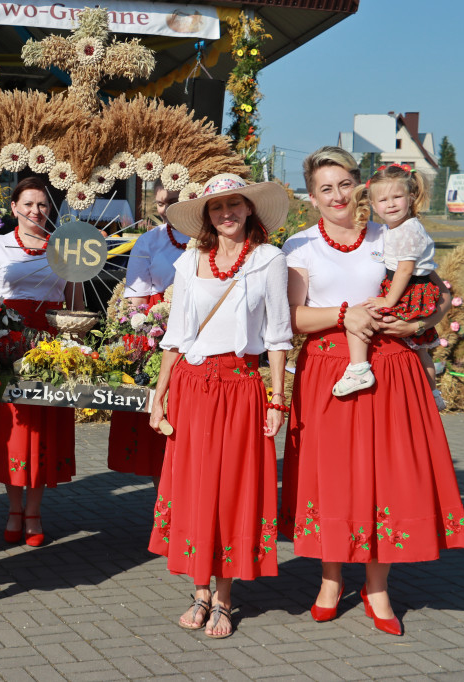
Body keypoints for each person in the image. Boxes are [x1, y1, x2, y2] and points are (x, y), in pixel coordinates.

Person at [279, 146, 464, 637]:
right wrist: (345, 315)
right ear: (312, 196)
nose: (337, 195)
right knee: (333, 476)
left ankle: (377, 586)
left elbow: (440, 292)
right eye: (325, 188)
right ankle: (328, 580)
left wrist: (422, 324)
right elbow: (294, 319)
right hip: (328, 370)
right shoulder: (300, 246)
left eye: (344, 183)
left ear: (359, 184)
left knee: (386, 475)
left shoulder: (393, 233)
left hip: (392, 367)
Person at [147, 174, 292, 639]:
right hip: (191, 386)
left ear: (249, 209)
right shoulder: (190, 262)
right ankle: (199, 591)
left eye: (234, 204)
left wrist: (277, 400)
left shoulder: (269, 259)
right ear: (206, 216)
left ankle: (225, 599)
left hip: (239, 387)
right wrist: (160, 393)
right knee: (194, 488)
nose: (226, 213)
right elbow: (176, 335)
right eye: (216, 207)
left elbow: (277, 336)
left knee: (231, 490)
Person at [0, 176, 84, 547]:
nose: (35, 211)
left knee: (43, 427)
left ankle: (34, 511)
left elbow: (75, 302)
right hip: (8, 341)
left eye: (42, 205)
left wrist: (76, 348)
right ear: (14, 208)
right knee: (14, 427)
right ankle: (12, 508)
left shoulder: (65, 248)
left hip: (52, 345)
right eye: (27, 204)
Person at [333, 164, 445, 409]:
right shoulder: (399, 228)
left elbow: (404, 269)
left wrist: (387, 301)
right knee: (420, 348)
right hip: (415, 288)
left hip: (407, 290)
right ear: (373, 206)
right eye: (383, 200)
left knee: (361, 317)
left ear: (411, 197)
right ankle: (433, 394)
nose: (391, 204)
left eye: (397, 197)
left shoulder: (406, 231)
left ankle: (359, 368)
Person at [106, 180, 189, 487]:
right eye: (160, 203)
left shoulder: (212, 235)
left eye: (174, 200)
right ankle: (162, 509)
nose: (166, 209)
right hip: (159, 331)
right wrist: (141, 327)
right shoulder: (150, 240)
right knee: (161, 422)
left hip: (201, 334)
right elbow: (135, 298)